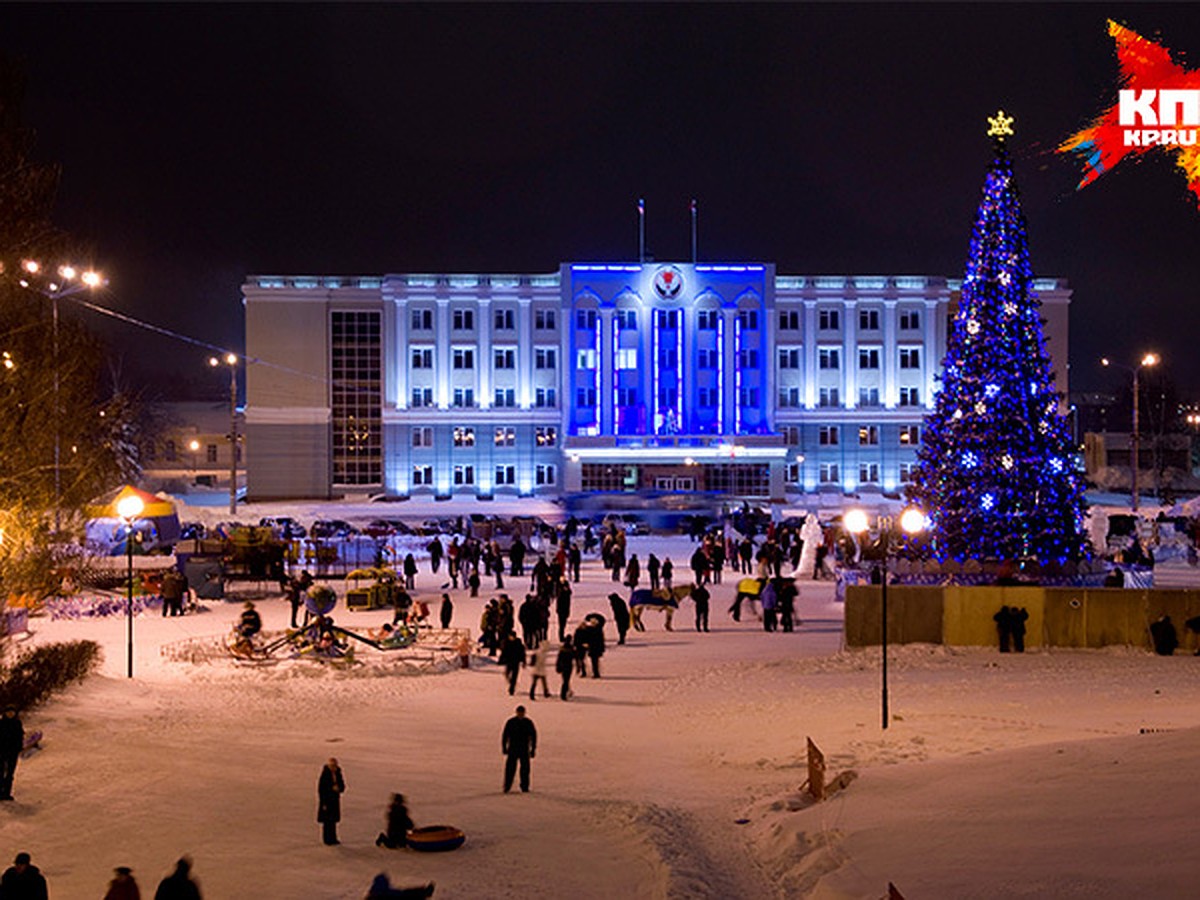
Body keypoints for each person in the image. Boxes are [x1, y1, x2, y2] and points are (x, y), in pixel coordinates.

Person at [501, 705, 537, 793]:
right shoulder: (511, 722)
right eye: (519, 712)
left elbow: (533, 736)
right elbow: (505, 735)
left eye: (522, 712)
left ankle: (525, 787)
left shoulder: (528, 722)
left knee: (525, 769)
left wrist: (533, 749)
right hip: (513, 748)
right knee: (510, 769)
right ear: (516, 712)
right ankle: (507, 786)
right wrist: (504, 747)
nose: (520, 714)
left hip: (524, 749)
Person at [318, 757, 346, 845]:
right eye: (332, 766)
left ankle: (333, 838)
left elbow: (342, 786)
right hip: (327, 801)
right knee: (327, 821)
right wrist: (324, 803)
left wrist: (339, 788)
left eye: (335, 766)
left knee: (333, 820)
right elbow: (321, 790)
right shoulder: (325, 775)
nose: (334, 767)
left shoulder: (338, 773)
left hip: (334, 801)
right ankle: (327, 839)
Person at [0, 705, 23, 801]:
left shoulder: (17, 723)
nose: (10, 714)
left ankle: (6, 793)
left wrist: (18, 748)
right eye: (8, 712)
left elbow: (19, 737)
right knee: (0, 772)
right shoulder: (1, 724)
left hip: (13, 753)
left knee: (10, 773)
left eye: (12, 712)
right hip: (1, 752)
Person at [499, 631, 526, 696]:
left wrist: (523, 661)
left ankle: (512, 689)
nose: (511, 638)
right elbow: (504, 652)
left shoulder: (518, 643)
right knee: (507, 674)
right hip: (509, 662)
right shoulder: (506, 643)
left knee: (514, 676)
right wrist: (501, 660)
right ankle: (512, 683)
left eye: (512, 636)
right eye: (510, 636)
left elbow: (522, 653)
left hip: (516, 662)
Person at [555, 635, 575, 700]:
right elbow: (574, 656)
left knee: (565, 680)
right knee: (566, 680)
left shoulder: (562, 648)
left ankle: (565, 692)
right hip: (569, 666)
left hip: (563, 666)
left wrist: (557, 666)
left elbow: (559, 658)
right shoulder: (571, 648)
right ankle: (563, 694)